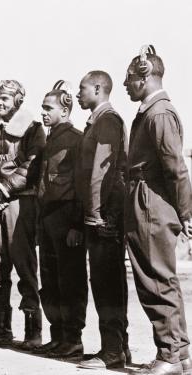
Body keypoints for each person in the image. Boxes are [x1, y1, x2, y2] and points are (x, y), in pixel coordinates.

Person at [123, 45, 192, 375]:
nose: (125, 84)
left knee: (155, 280)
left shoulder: (159, 113)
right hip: (146, 198)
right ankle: (178, 353)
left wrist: (187, 212)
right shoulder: (152, 111)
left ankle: (169, 356)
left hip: (151, 201)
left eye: (129, 77)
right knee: (161, 279)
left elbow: (176, 168)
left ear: (145, 75)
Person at [0, 80, 46, 350]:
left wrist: (3, 189)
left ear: (18, 101)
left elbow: (32, 166)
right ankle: (1, 328)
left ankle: (32, 331)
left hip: (20, 206)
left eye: (5, 98)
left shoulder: (34, 130)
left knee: (25, 266)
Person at [74, 71, 130, 369]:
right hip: (104, 212)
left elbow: (101, 171)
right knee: (108, 281)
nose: (77, 93)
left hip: (105, 214)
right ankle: (119, 348)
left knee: (107, 282)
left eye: (82, 88)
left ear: (98, 88)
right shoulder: (99, 120)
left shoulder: (107, 121)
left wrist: (94, 214)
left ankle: (113, 351)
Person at [32, 81, 88, 358]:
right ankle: (58, 337)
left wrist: (77, 224)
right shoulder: (50, 139)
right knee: (50, 280)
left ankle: (73, 339)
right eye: (42, 107)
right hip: (48, 218)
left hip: (67, 218)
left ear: (65, 111)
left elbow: (81, 186)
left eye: (48, 108)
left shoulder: (76, 140)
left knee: (71, 281)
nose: (43, 112)